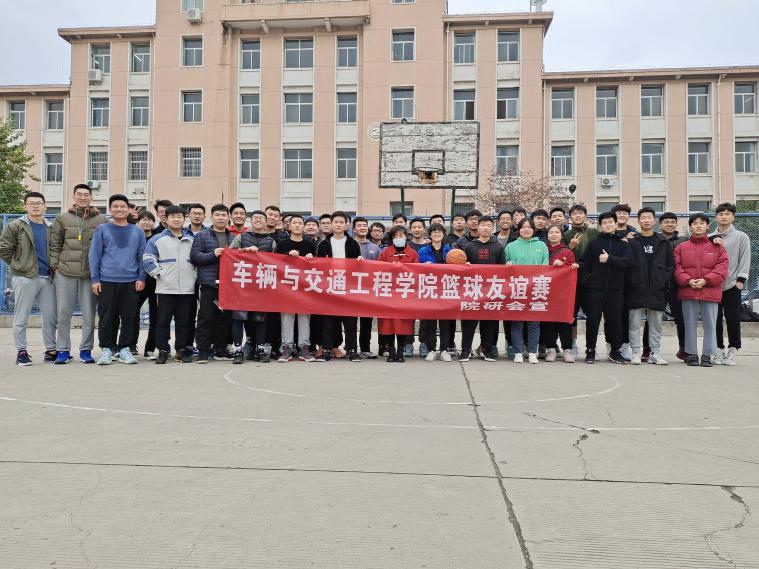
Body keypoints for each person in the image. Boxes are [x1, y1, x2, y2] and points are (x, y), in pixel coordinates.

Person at [48, 183, 106, 364]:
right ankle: (63, 350)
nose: (83, 197)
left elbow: (106, 247)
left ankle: (86, 350)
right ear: (74, 197)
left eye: (86, 194)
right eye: (79, 194)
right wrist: (55, 267)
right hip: (65, 272)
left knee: (89, 314)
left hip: (90, 275)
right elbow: (55, 244)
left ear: (91, 197)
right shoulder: (62, 218)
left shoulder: (101, 220)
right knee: (63, 313)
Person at [0, 192, 58, 366]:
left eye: (39, 203)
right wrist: (19, 265)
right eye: (31, 203)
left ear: (45, 206)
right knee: (22, 315)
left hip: (47, 277)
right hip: (25, 277)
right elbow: (4, 249)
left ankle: (51, 351)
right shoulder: (15, 225)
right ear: (25, 206)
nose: (35, 206)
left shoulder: (51, 227)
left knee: (50, 316)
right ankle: (21, 352)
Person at [89, 194, 146, 365]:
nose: (119, 209)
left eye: (123, 206)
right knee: (107, 317)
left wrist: (141, 277)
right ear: (110, 209)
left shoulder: (138, 231)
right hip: (107, 280)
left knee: (129, 317)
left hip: (131, 280)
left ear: (128, 209)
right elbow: (94, 255)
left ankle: (124, 349)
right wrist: (95, 279)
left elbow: (142, 256)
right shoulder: (102, 229)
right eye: (115, 206)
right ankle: (107, 349)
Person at [143, 205, 197, 364]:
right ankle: (163, 350)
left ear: (184, 219)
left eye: (179, 217)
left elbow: (198, 260)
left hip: (188, 288)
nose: (176, 219)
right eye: (173, 217)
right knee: (162, 322)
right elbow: (147, 259)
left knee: (184, 322)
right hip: (165, 288)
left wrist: (195, 277)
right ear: (166, 219)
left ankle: (181, 350)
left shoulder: (192, 239)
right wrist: (161, 275)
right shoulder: (157, 239)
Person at [579, 211, 634, 364]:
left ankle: (615, 351)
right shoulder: (594, 244)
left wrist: (610, 259)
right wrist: (575, 265)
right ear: (600, 226)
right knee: (593, 320)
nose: (608, 225)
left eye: (610, 222)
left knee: (615, 321)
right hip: (595, 289)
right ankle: (590, 350)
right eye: (604, 223)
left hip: (616, 290)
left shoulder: (623, 244)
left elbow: (628, 262)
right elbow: (584, 262)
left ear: (616, 224)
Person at [674, 213, 729, 367]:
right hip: (688, 291)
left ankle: (708, 355)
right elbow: (677, 268)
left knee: (710, 324)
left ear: (707, 226)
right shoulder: (681, 247)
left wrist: (706, 280)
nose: (698, 226)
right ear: (690, 226)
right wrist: (688, 280)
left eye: (702, 223)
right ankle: (691, 354)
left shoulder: (718, 247)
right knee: (689, 324)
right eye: (695, 223)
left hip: (710, 291)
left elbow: (722, 268)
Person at [625, 207, 674, 365]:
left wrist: (663, 279)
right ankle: (635, 352)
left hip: (657, 289)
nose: (646, 220)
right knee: (634, 324)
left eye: (649, 218)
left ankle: (655, 353)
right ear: (638, 221)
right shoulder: (632, 241)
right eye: (643, 218)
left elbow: (670, 265)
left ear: (654, 221)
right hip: (636, 289)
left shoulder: (663, 241)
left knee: (656, 324)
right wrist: (632, 281)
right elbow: (627, 263)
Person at [229, 210, 276, 363]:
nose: (258, 220)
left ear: (266, 221)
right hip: (242, 284)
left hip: (262, 285)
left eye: (261, 218)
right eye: (255, 217)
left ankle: (260, 349)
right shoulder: (241, 237)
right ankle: (238, 351)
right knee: (239, 317)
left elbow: (277, 263)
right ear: (250, 220)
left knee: (260, 318)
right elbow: (230, 255)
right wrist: (244, 251)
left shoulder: (271, 241)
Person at [315, 211, 363, 362]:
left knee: (350, 321)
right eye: (335, 222)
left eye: (341, 222)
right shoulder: (323, 244)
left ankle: (352, 350)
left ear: (346, 225)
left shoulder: (353, 243)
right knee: (328, 321)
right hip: (329, 286)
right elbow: (317, 266)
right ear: (331, 224)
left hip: (348, 287)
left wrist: (360, 260)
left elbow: (358, 264)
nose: (338, 225)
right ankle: (327, 349)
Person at [190, 204, 234, 363]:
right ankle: (203, 350)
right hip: (208, 284)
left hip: (228, 285)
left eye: (224, 215)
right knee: (205, 317)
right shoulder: (201, 236)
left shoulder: (233, 237)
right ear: (211, 217)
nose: (221, 218)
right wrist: (213, 254)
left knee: (224, 319)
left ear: (228, 217)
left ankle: (220, 349)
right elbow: (195, 257)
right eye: (218, 215)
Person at [710, 202, 751, 366]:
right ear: (716, 217)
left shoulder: (741, 236)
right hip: (712, 285)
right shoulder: (709, 237)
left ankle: (733, 349)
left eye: (727, 214)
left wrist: (741, 280)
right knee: (714, 319)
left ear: (733, 217)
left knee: (733, 318)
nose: (724, 216)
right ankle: (718, 349)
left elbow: (745, 258)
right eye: (720, 214)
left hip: (732, 285)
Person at [459, 216, 504, 362]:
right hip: (473, 289)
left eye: (489, 225)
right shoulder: (469, 246)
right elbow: (462, 268)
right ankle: (465, 351)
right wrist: (465, 266)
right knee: (469, 322)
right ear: (477, 227)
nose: (485, 228)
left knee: (489, 322)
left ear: (493, 228)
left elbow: (503, 270)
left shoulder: (498, 247)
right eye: (483, 225)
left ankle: (486, 350)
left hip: (491, 290)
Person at [505, 218, 549, 364]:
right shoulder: (510, 246)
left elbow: (545, 266)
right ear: (519, 229)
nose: (526, 230)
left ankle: (532, 353)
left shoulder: (542, 246)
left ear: (533, 230)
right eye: (523, 227)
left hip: (536, 288)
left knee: (534, 323)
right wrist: (507, 265)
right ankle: (518, 352)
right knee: (517, 322)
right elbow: (504, 266)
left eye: (529, 227)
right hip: (517, 288)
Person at [276, 214, 317, 362]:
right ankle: (286, 348)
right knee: (287, 317)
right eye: (294, 223)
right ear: (289, 225)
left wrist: (312, 258)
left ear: (304, 226)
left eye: (300, 223)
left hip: (305, 287)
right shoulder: (282, 244)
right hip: (286, 287)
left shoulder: (310, 244)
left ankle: (304, 348)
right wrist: (287, 255)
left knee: (304, 317)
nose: (297, 225)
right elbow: (274, 262)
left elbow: (318, 266)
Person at [378, 225, 419, 362]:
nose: (398, 238)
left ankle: (400, 351)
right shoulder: (385, 253)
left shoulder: (413, 254)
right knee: (388, 324)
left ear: (406, 237)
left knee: (403, 324)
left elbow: (417, 272)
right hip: (388, 294)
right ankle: (391, 351)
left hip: (405, 294)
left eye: (401, 236)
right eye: (395, 236)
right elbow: (378, 269)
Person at [565, 204, 600, 354]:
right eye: (574, 213)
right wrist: (571, 247)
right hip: (571, 281)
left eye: (580, 213)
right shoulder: (566, 235)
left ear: (585, 215)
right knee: (570, 316)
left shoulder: (594, 233)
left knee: (593, 316)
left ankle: (591, 347)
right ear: (570, 217)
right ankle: (571, 344)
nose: (577, 216)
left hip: (591, 281)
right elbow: (563, 256)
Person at [418, 223, 454, 362]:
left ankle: (444, 350)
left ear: (443, 234)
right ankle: (431, 349)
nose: (437, 234)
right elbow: (415, 268)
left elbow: (458, 267)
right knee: (430, 323)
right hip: (430, 290)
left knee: (445, 323)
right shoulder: (423, 251)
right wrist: (423, 266)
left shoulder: (451, 251)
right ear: (430, 235)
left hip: (445, 289)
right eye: (434, 232)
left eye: (439, 232)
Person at [543, 224, 578, 363]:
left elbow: (571, 269)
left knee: (564, 321)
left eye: (557, 232)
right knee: (548, 322)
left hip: (563, 292)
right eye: (551, 232)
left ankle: (567, 350)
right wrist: (552, 264)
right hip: (545, 290)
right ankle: (551, 349)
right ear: (547, 235)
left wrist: (568, 266)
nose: (554, 234)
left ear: (561, 235)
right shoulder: (542, 249)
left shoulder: (568, 251)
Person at [655, 212, 687, 360]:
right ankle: (648, 350)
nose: (670, 224)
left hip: (678, 286)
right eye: (666, 222)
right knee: (653, 319)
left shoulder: (683, 241)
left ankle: (684, 349)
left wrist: (714, 237)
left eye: (672, 222)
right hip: (658, 286)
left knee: (681, 319)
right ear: (660, 225)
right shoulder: (655, 240)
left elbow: (702, 240)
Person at [131, 211, 160, 358]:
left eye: (150, 220)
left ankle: (150, 348)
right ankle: (131, 345)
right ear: (138, 222)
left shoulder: (158, 238)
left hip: (156, 281)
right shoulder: (133, 236)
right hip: (137, 280)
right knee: (132, 313)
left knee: (156, 316)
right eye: (143, 219)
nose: (146, 222)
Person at [353, 216, 381, 359]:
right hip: (350, 289)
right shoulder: (348, 245)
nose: (362, 227)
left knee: (367, 322)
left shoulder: (375, 248)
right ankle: (351, 349)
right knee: (351, 322)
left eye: (364, 225)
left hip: (368, 290)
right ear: (353, 229)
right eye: (359, 225)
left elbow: (381, 268)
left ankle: (365, 349)